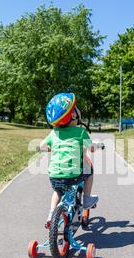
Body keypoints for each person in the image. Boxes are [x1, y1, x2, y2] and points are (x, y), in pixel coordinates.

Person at [39, 92, 99, 228]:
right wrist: (96, 146)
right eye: (76, 107)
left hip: (54, 177)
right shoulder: (81, 132)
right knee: (89, 167)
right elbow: (92, 148)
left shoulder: (55, 132)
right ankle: (87, 199)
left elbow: (42, 146)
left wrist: (49, 148)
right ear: (73, 115)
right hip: (74, 176)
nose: (78, 109)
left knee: (58, 192)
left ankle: (50, 214)